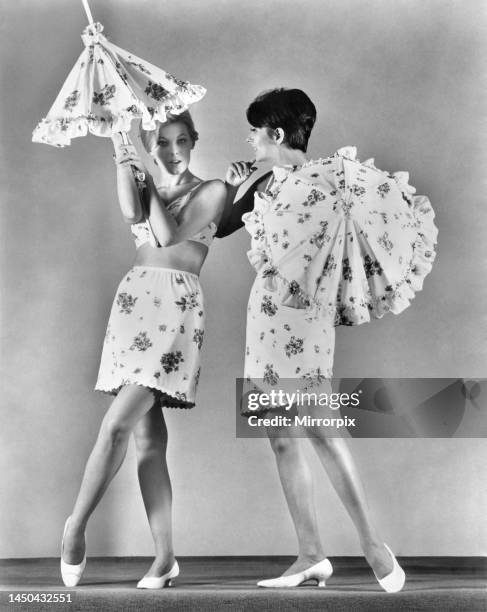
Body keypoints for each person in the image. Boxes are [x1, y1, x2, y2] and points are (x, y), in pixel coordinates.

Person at [218, 88, 437, 591]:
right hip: (275, 313)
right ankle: (310, 554)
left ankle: (371, 543)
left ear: (275, 133)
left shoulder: (306, 182)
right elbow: (230, 225)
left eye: (254, 130)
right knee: (282, 434)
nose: (249, 139)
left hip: (294, 316)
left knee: (318, 427)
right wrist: (241, 181)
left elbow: (226, 226)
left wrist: (244, 183)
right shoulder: (305, 181)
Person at [60, 111, 226, 589]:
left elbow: (168, 236)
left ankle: (74, 527)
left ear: (195, 140)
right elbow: (134, 215)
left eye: (181, 141)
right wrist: (123, 149)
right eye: (161, 143)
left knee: (116, 426)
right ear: (150, 144)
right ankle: (165, 558)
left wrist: (145, 171)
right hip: (134, 303)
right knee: (147, 441)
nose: (173, 151)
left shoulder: (214, 189)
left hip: (177, 308)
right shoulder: (142, 172)